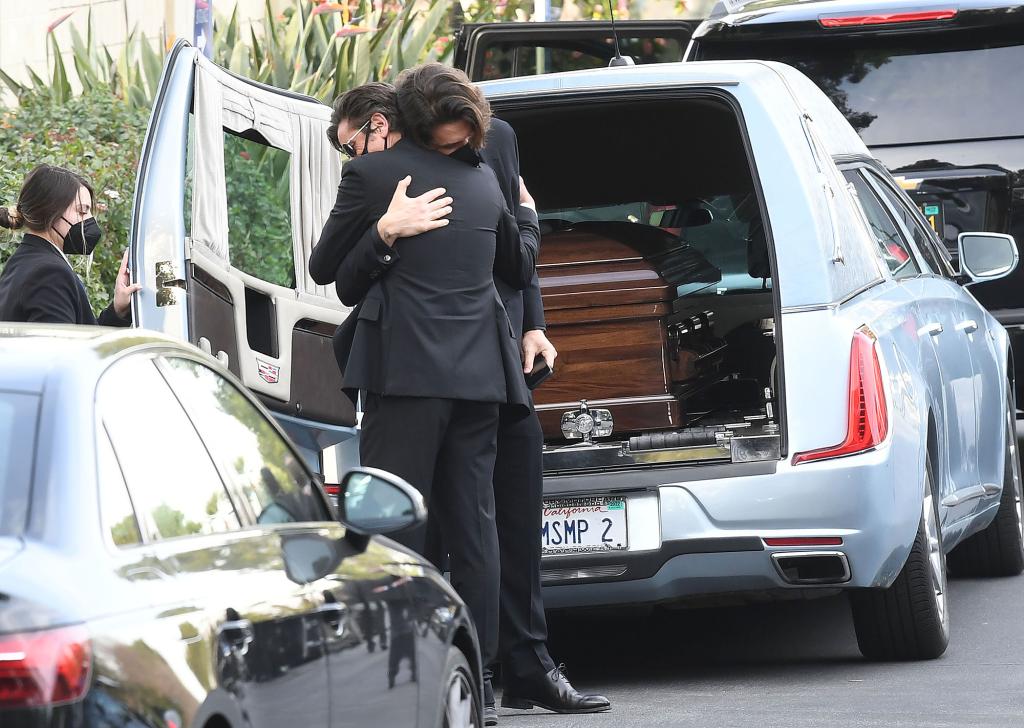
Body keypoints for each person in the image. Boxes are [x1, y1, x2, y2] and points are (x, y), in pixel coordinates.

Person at [319, 75, 610, 723]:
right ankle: (473, 679)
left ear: (387, 121)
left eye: (352, 144)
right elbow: (520, 262)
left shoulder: (378, 177)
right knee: (477, 532)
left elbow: (330, 276)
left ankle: (407, 681)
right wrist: (529, 214)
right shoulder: (481, 178)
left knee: (393, 530)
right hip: (481, 377)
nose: (353, 157)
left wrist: (385, 234)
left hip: (411, 374)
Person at [0, 164, 138, 326]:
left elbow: (77, 339)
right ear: (50, 211)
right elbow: (63, 349)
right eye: (82, 211)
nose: (89, 220)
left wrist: (118, 311)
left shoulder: (22, 262)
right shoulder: (49, 273)